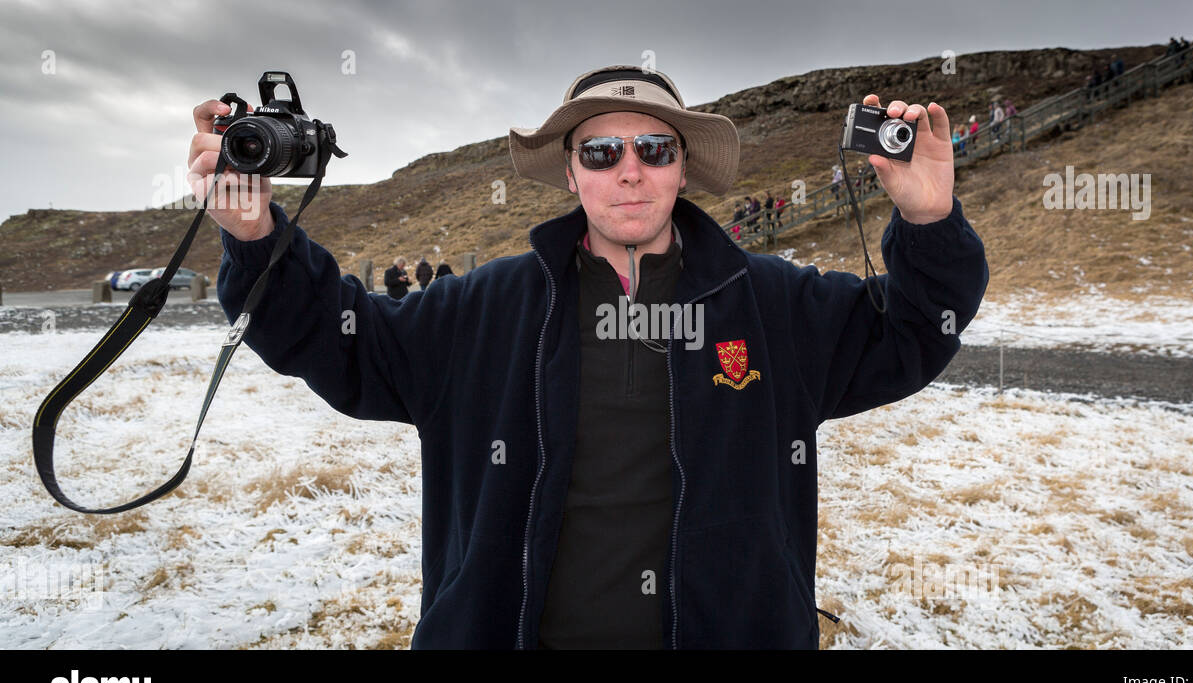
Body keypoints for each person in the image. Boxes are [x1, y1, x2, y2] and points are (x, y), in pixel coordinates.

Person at [194, 63, 987, 649]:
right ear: (571, 172)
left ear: (683, 167)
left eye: (653, 148)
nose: (630, 169)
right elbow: (341, 343)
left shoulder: (773, 304)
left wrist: (929, 221)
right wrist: (257, 235)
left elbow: (916, 331)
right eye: (601, 153)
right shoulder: (487, 308)